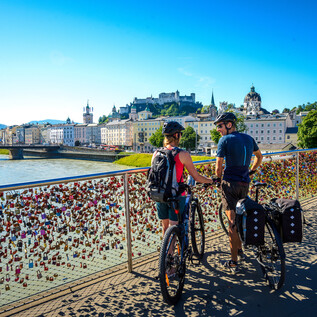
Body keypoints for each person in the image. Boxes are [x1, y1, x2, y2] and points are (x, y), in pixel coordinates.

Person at [214, 112, 263, 272]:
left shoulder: (224, 140)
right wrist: (252, 171)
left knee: (232, 223)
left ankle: (233, 261)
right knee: (241, 215)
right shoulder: (249, 138)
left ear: (229, 125)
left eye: (220, 126)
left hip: (229, 184)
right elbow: (259, 156)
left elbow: (219, 165)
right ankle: (240, 248)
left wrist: (217, 180)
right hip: (244, 183)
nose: (218, 129)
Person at [154, 121, 214, 236]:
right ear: (176, 135)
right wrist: (211, 180)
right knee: (174, 225)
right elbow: (196, 176)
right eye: (180, 134)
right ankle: (174, 252)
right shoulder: (183, 154)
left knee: (165, 226)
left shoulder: (156, 153)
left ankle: (166, 253)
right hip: (176, 195)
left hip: (159, 194)